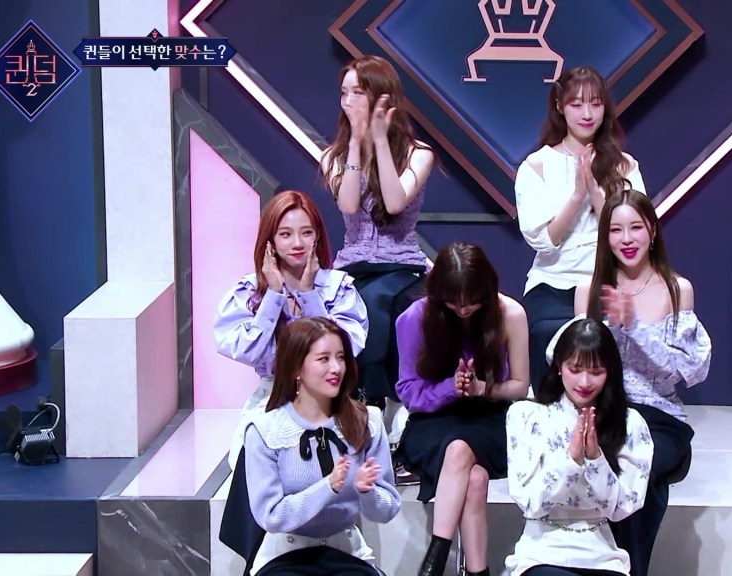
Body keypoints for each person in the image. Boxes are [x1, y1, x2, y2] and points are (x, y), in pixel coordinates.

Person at [571, 190, 712, 576]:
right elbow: (577, 367)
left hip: (659, 419)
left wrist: (634, 325)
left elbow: (680, 372)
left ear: (652, 230)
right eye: (616, 230)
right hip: (606, 415)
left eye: (635, 227)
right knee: (607, 466)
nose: (627, 239)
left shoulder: (676, 289)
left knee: (639, 471)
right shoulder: (589, 291)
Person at [393, 242, 530, 576]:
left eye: (472, 300)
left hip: (490, 418)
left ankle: (434, 561)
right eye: (454, 301)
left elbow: (520, 386)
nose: (464, 309)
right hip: (433, 420)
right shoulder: (415, 318)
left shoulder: (510, 314)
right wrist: (450, 388)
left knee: (461, 452)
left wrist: (483, 388)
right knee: (474, 478)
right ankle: (477, 572)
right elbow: (408, 391)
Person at [227, 317, 400, 576]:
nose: (336, 368)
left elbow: (387, 509)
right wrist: (328, 487)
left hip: (346, 552)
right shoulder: (265, 430)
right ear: (297, 367)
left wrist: (367, 491)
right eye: (323, 359)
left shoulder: (368, 421)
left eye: (340, 357)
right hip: (285, 556)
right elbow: (271, 516)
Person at [515, 66, 647, 394]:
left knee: (617, 334)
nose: (587, 114)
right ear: (559, 107)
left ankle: (611, 415)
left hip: (609, 279)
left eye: (595, 104)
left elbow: (634, 233)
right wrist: (576, 196)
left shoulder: (625, 165)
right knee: (547, 331)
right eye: (576, 104)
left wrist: (597, 195)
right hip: (552, 282)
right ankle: (547, 414)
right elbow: (543, 241)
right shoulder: (536, 166)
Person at [215, 190, 368, 467]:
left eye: (306, 233)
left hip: (330, 398)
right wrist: (273, 296)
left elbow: (344, 349)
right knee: (248, 464)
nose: (297, 243)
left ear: (317, 236)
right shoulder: (250, 291)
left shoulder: (338, 288)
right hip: (272, 396)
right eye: (285, 234)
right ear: (270, 241)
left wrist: (309, 295)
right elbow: (247, 351)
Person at [321, 54, 435, 409]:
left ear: (382, 96)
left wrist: (381, 142)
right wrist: (356, 144)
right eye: (344, 93)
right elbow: (349, 204)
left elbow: (395, 202)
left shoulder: (419, 154)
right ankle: (359, 400)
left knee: (377, 301)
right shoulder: (333, 157)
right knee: (351, 300)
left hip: (401, 263)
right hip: (352, 264)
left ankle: (376, 399)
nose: (349, 101)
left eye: (358, 92)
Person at [505, 318, 653, 576]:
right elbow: (531, 504)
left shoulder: (631, 424)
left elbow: (622, 508)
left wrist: (596, 459)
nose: (584, 382)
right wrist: (571, 461)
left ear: (610, 372)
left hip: (603, 556)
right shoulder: (526, 416)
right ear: (559, 366)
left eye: (596, 372)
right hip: (541, 552)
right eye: (575, 369)